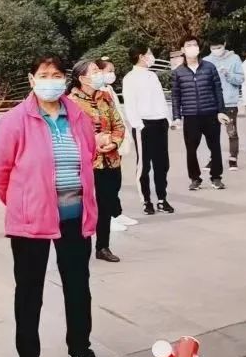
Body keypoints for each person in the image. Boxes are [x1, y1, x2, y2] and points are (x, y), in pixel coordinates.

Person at [0, 54, 109, 357]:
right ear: (32, 79)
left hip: (75, 217)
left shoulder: (78, 117)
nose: (50, 80)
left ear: (65, 79)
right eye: (44, 74)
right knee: (29, 290)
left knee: (78, 286)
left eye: (56, 74)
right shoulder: (15, 121)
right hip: (31, 221)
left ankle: (79, 350)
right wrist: (23, 202)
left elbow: (88, 156)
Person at [68, 59, 126, 263]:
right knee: (82, 206)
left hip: (110, 159)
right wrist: (94, 143)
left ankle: (102, 246)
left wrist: (114, 142)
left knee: (106, 203)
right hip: (87, 164)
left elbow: (119, 124)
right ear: (82, 78)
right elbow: (69, 134)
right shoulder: (70, 102)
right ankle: (78, 246)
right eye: (94, 71)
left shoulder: (105, 97)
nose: (99, 74)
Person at [121, 45, 175, 217]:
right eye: (149, 53)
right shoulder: (130, 78)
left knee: (162, 164)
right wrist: (138, 124)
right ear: (141, 56)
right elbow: (130, 104)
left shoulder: (152, 76)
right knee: (144, 165)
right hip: (143, 124)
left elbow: (160, 99)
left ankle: (162, 199)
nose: (152, 56)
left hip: (160, 123)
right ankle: (146, 200)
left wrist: (167, 119)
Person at [171, 37, 230, 191]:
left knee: (215, 147)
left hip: (210, 114)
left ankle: (216, 177)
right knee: (191, 149)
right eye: (188, 45)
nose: (192, 47)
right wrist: (176, 117)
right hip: (191, 116)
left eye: (195, 44)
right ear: (182, 50)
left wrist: (221, 111)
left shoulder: (209, 67)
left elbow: (218, 90)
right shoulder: (178, 72)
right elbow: (176, 96)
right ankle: (195, 178)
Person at [97, 56, 137, 229]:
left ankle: (116, 212)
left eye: (113, 71)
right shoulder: (96, 92)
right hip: (105, 143)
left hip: (117, 141)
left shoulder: (109, 89)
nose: (112, 74)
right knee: (106, 183)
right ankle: (108, 218)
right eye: (109, 71)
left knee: (115, 180)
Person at [207, 38, 245, 170]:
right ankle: (213, 158)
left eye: (218, 47)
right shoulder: (206, 60)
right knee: (212, 134)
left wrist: (228, 74)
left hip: (229, 102)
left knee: (232, 132)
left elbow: (241, 79)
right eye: (213, 48)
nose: (216, 50)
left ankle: (233, 158)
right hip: (212, 103)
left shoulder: (234, 58)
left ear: (224, 44)